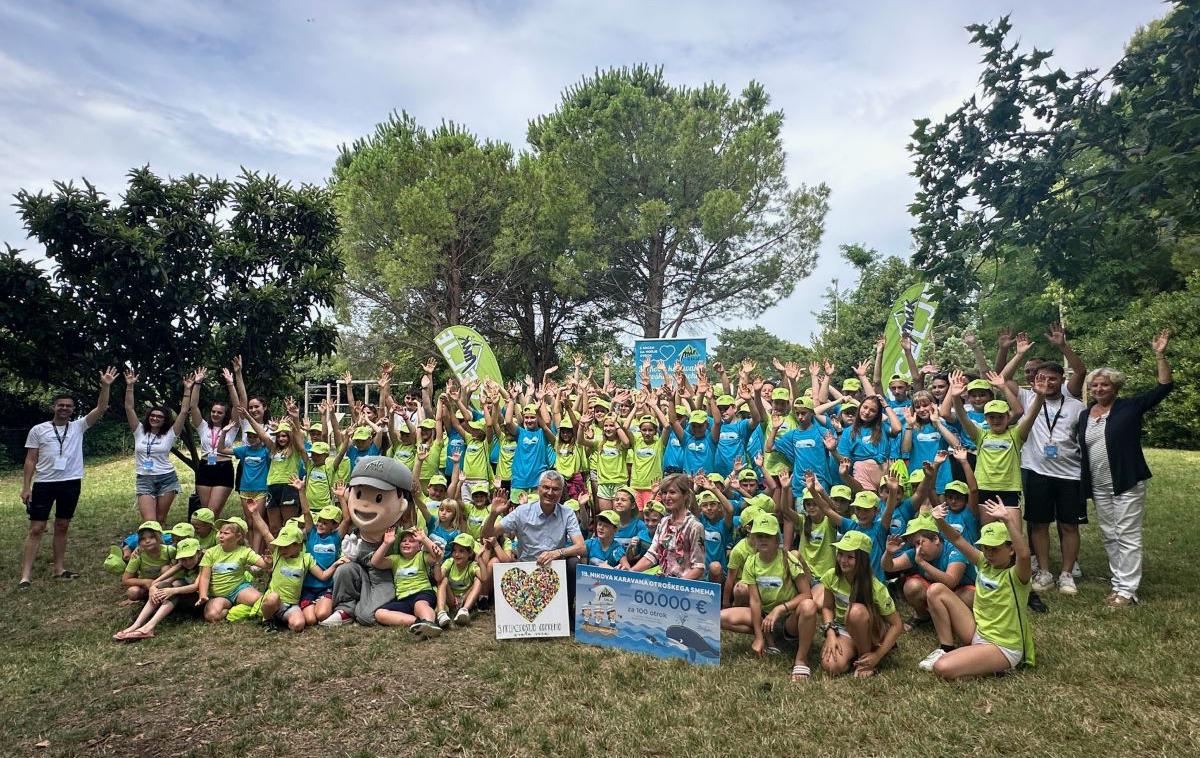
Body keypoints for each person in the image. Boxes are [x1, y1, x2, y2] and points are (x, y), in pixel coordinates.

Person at [1076, 329, 1173, 608]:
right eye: (1094, 386)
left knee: (1127, 534)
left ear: (1115, 387)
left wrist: (1160, 354)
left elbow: (1164, 386)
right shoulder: (1085, 414)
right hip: (1099, 484)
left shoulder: (1130, 407)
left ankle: (1128, 592)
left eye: (1104, 385)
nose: (1098, 389)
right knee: (1109, 533)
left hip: (1127, 481)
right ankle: (1119, 581)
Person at [19, 367, 117, 589]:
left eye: (68, 406)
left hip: (71, 483)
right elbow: (30, 460)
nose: (64, 408)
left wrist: (106, 385)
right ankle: (25, 576)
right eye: (60, 405)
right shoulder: (38, 430)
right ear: (54, 407)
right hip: (44, 483)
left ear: (73, 410)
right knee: (36, 528)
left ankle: (59, 569)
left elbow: (101, 408)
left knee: (62, 525)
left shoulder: (78, 427)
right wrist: (26, 486)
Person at [920, 501, 1035, 678]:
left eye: (995, 549)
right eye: (985, 548)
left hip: (1003, 646)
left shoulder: (1017, 576)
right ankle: (946, 648)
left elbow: (1025, 555)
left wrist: (1008, 520)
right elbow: (958, 539)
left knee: (942, 668)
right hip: (978, 633)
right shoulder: (983, 562)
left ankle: (998, 665)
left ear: (1011, 549)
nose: (989, 554)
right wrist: (939, 521)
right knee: (936, 590)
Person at [481, 470, 587, 616]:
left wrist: (557, 553)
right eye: (546, 487)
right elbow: (487, 534)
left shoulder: (567, 513)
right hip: (527, 569)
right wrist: (493, 513)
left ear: (562, 492)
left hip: (554, 569)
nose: (550, 492)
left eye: (555, 489)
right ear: (538, 489)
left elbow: (581, 547)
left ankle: (566, 611)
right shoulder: (522, 512)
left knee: (574, 562)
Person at [124, 369, 195, 522]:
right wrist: (130, 386)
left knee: (161, 519)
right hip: (144, 479)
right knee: (150, 521)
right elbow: (129, 408)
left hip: (167, 478)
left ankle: (158, 545)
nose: (155, 418)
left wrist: (187, 389)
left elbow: (183, 412)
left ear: (165, 420)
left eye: (160, 417)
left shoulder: (170, 433)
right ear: (149, 417)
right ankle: (149, 543)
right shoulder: (139, 431)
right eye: (153, 415)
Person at [629, 474, 706, 580]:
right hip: (665, 586)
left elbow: (698, 568)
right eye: (664, 492)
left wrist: (675, 587)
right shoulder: (663, 522)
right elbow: (652, 555)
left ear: (685, 495)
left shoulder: (695, 526)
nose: (667, 497)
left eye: (672, 492)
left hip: (685, 590)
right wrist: (629, 573)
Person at [191, 367, 241, 518]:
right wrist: (197, 384)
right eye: (213, 411)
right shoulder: (203, 426)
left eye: (219, 412)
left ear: (225, 415)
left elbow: (237, 407)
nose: (216, 414)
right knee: (205, 513)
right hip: (205, 468)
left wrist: (231, 384)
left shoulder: (231, 427)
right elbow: (193, 406)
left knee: (213, 513)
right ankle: (208, 540)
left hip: (223, 468)